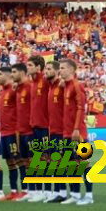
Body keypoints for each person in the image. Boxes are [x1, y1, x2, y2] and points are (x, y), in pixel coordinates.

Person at [60, 59, 93, 205]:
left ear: (72, 70)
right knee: (70, 164)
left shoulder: (77, 85)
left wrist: (76, 129)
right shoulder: (66, 87)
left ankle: (89, 196)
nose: (60, 70)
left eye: (63, 68)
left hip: (77, 133)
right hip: (67, 132)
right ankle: (74, 194)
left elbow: (81, 108)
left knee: (84, 162)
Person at [0, 67, 23, 201]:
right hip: (4, 132)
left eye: (0, 74)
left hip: (14, 131)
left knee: (19, 160)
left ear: (8, 76)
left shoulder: (14, 90)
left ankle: (25, 190)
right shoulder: (2, 92)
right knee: (9, 162)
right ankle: (13, 191)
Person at [27, 55, 50, 202]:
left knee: (47, 158)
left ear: (38, 67)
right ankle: (37, 190)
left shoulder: (45, 81)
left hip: (45, 126)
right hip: (33, 126)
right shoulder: (32, 83)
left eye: (30, 65)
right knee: (35, 158)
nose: (27, 67)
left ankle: (47, 191)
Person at [45, 61, 68, 203]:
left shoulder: (62, 84)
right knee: (55, 161)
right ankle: (59, 191)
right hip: (52, 130)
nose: (45, 71)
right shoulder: (51, 86)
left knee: (62, 162)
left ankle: (64, 192)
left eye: (48, 69)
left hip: (61, 130)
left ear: (56, 71)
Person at [11, 63, 34, 202]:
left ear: (22, 73)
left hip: (31, 130)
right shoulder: (18, 89)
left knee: (35, 161)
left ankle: (42, 190)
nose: (12, 75)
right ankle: (29, 190)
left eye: (14, 72)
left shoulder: (30, 87)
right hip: (20, 131)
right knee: (25, 161)